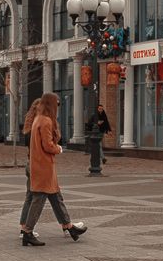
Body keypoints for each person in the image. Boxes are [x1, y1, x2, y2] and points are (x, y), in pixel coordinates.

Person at [20, 93, 87, 247]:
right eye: (57, 103)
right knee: (39, 198)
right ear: (51, 104)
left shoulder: (38, 119)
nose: (58, 106)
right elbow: (48, 145)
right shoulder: (46, 121)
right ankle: (27, 232)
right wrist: (59, 148)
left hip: (39, 164)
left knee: (56, 196)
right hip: (43, 166)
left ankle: (69, 226)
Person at [86, 104, 112, 174]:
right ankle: (103, 158)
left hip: (101, 132)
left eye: (102, 109)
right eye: (100, 109)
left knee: (99, 145)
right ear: (97, 109)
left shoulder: (103, 114)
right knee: (99, 145)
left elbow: (106, 122)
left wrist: (109, 130)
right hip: (95, 132)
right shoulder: (94, 115)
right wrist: (96, 123)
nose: (101, 110)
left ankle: (100, 157)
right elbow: (89, 123)